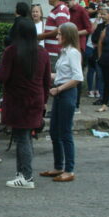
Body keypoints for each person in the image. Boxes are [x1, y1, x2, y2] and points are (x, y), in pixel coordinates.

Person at [0, 17, 51, 188]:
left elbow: (3, 76)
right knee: (26, 137)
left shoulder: (12, 51)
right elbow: (46, 80)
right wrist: (44, 102)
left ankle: (26, 177)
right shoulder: (42, 52)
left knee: (22, 138)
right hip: (35, 99)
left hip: (18, 100)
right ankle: (22, 173)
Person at [42, 22, 84, 182]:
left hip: (66, 94)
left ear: (67, 36)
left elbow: (77, 78)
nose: (57, 36)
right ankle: (58, 166)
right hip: (60, 93)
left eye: (60, 34)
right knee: (54, 131)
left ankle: (69, 169)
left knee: (65, 132)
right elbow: (61, 75)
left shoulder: (73, 53)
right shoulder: (64, 52)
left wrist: (59, 89)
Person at [64, 0, 92, 110]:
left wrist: (74, 33)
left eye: (67, 2)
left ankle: (76, 104)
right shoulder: (66, 11)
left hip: (79, 46)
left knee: (77, 76)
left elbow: (89, 29)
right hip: (68, 45)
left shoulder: (81, 10)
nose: (66, 5)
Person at [39, 0, 70, 68]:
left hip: (55, 52)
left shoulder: (61, 9)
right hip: (52, 51)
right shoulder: (57, 9)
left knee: (53, 78)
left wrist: (42, 36)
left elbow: (61, 29)